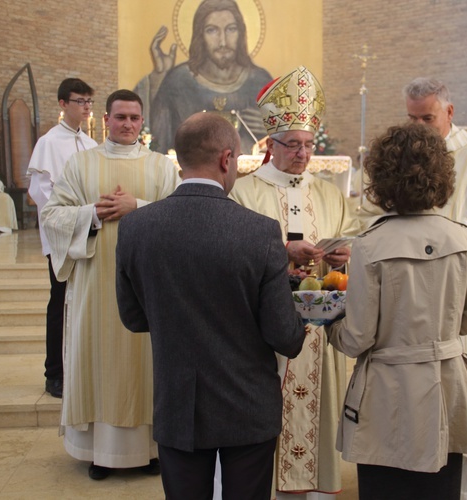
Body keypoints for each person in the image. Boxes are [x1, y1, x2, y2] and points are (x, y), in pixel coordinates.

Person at [115, 112, 306, 499]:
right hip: (247, 403)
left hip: (178, 402)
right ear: (226, 159)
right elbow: (285, 337)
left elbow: (134, 318)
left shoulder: (136, 226)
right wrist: (306, 309)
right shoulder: (260, 232)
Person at [327, 122, 467, 500]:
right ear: (440, 175)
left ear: (381, 179)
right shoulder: (460, 237)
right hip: (446, 386)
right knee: (440, 489)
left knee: (387, 488)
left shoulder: (370, 245)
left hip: (389, 392)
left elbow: (357, 338)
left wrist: (329, 322)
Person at [229, 66, 360, 499]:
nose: (303, 154)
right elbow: (231, 254)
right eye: (294, 145)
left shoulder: (329, 193)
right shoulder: (245, 192)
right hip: (265, 330)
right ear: (271, 145)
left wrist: (344, 253)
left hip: (320, 327)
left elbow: (355, 235)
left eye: (308, 145)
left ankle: (315, 484)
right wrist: (280, 256)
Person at [40, 89, 180, 480]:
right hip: (95, 286)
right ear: (106, 119)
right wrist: (94, 213)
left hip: (149, 289)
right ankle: (100, 452)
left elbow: (182, 216)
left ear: (142, 121)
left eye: (135, 118)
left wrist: (139, 207)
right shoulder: (81, 164)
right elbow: (52, 216)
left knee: (147, 361)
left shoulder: (162, 167)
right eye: (120, 117)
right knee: (98, 357)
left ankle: (151, 450)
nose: (128, 125)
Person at [398, 77, 467, 498]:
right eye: (411, 118)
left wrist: (446, 232)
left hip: (456, 305)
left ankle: (457, 490)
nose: (418, 128)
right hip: (409, 303)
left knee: (456, 403)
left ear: (449, 112)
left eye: (427, 117)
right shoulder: (403, 155)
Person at [27, 78, 99, 399]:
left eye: (88, 101)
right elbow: (40, 191)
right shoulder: (48, 143)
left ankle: (83, 368)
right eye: (79, 101)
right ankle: (54, 373)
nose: (85, 107)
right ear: (62, 104)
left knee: (86, 303)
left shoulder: (92, 144)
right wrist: (70, 216)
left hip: (91, 230)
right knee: (59, 302)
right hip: (62, 234)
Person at [148, 0, 272, 153]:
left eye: (231, 29)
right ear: (200, 35)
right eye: (212, 30)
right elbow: (158, 141)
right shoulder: (178, 81)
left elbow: (286, 140)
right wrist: (158, 78)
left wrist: (271, 127)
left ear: (241, 33)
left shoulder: (260, 81)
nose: (222, 42)